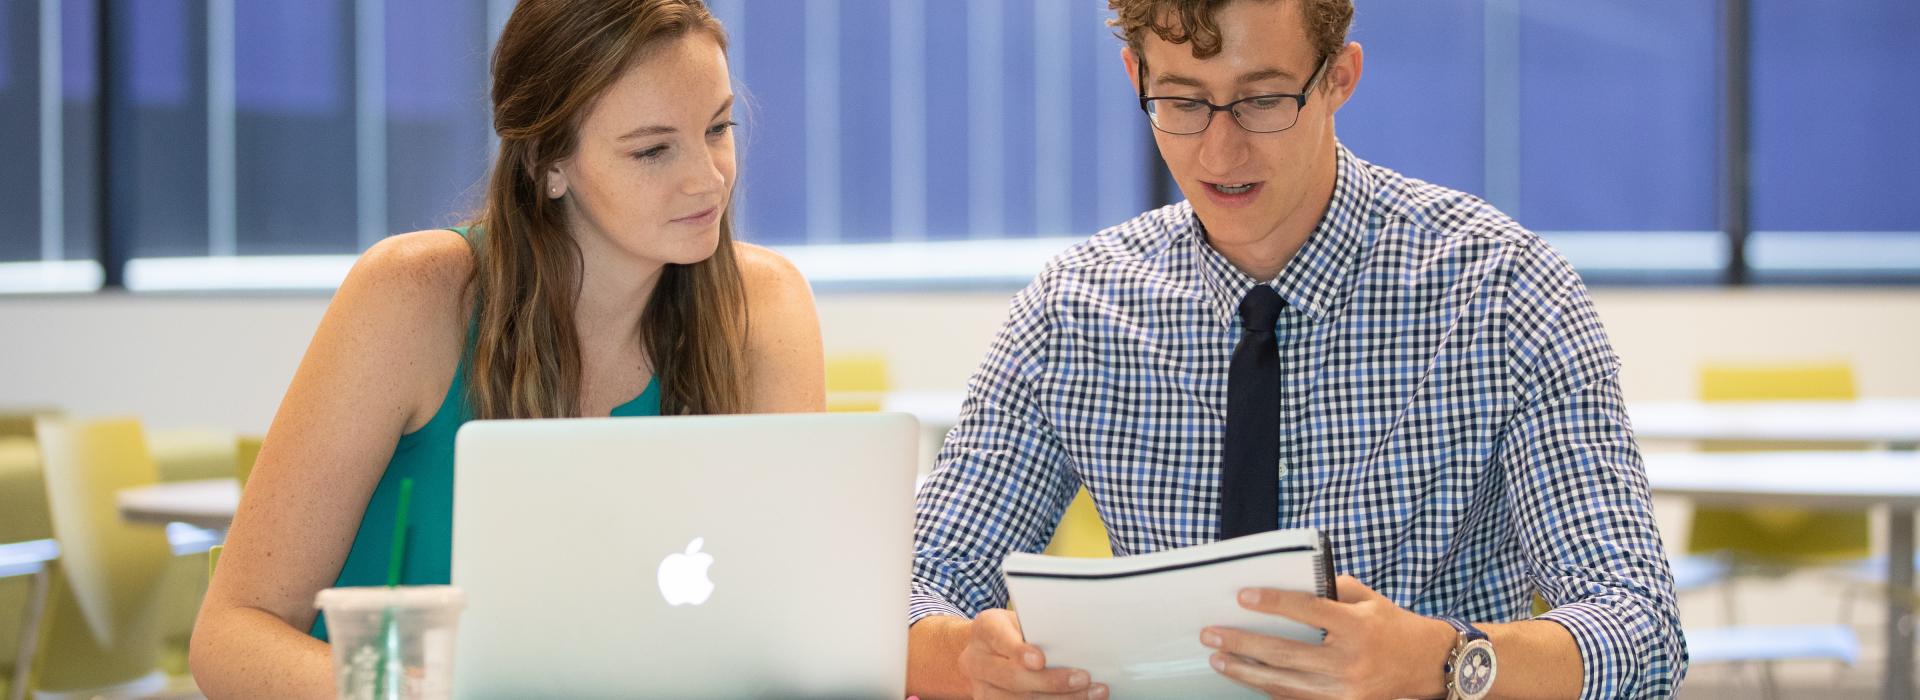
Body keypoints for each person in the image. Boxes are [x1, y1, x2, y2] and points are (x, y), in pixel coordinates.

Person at [905, 1, 1684, 698]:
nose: (1219, 153)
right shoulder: (1073, 311)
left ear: (1339, 76)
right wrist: (971, 663)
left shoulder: (1503, 291)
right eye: (1180, 101)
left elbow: (1642, 629)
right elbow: (914, 588)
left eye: (1262, 100)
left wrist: (1445, 664)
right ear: (1134, 73)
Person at [190, 1, 823, 695]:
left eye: (718, 128)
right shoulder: (415, 296)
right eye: (652, 149)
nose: (708, 178)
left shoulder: (763, 311)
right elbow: (231, 635)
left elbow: (789, 627)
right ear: (549, 164)